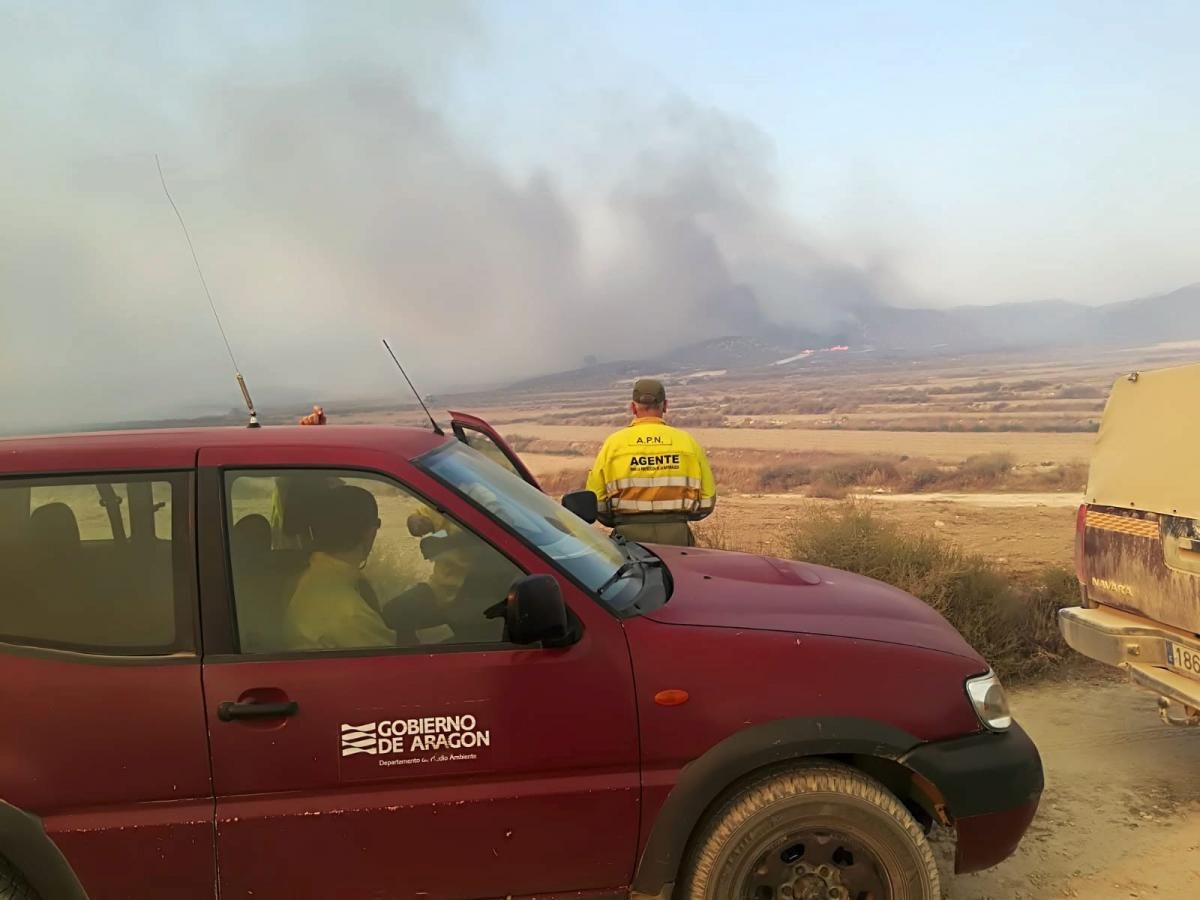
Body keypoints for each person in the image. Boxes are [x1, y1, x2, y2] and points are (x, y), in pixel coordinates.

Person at [586, 378, 716, 546]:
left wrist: (615, 520)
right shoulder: (687, 442)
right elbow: (707, 500)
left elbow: (596, 500)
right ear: (666, 406)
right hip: (677, 536)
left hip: (628, 538)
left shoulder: (613, 444)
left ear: (633, 408)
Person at [284, 484, 394, 650]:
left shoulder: (309, 573)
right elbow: (394, 668)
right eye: (377, 524)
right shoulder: (351, 614)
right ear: (369, 531)